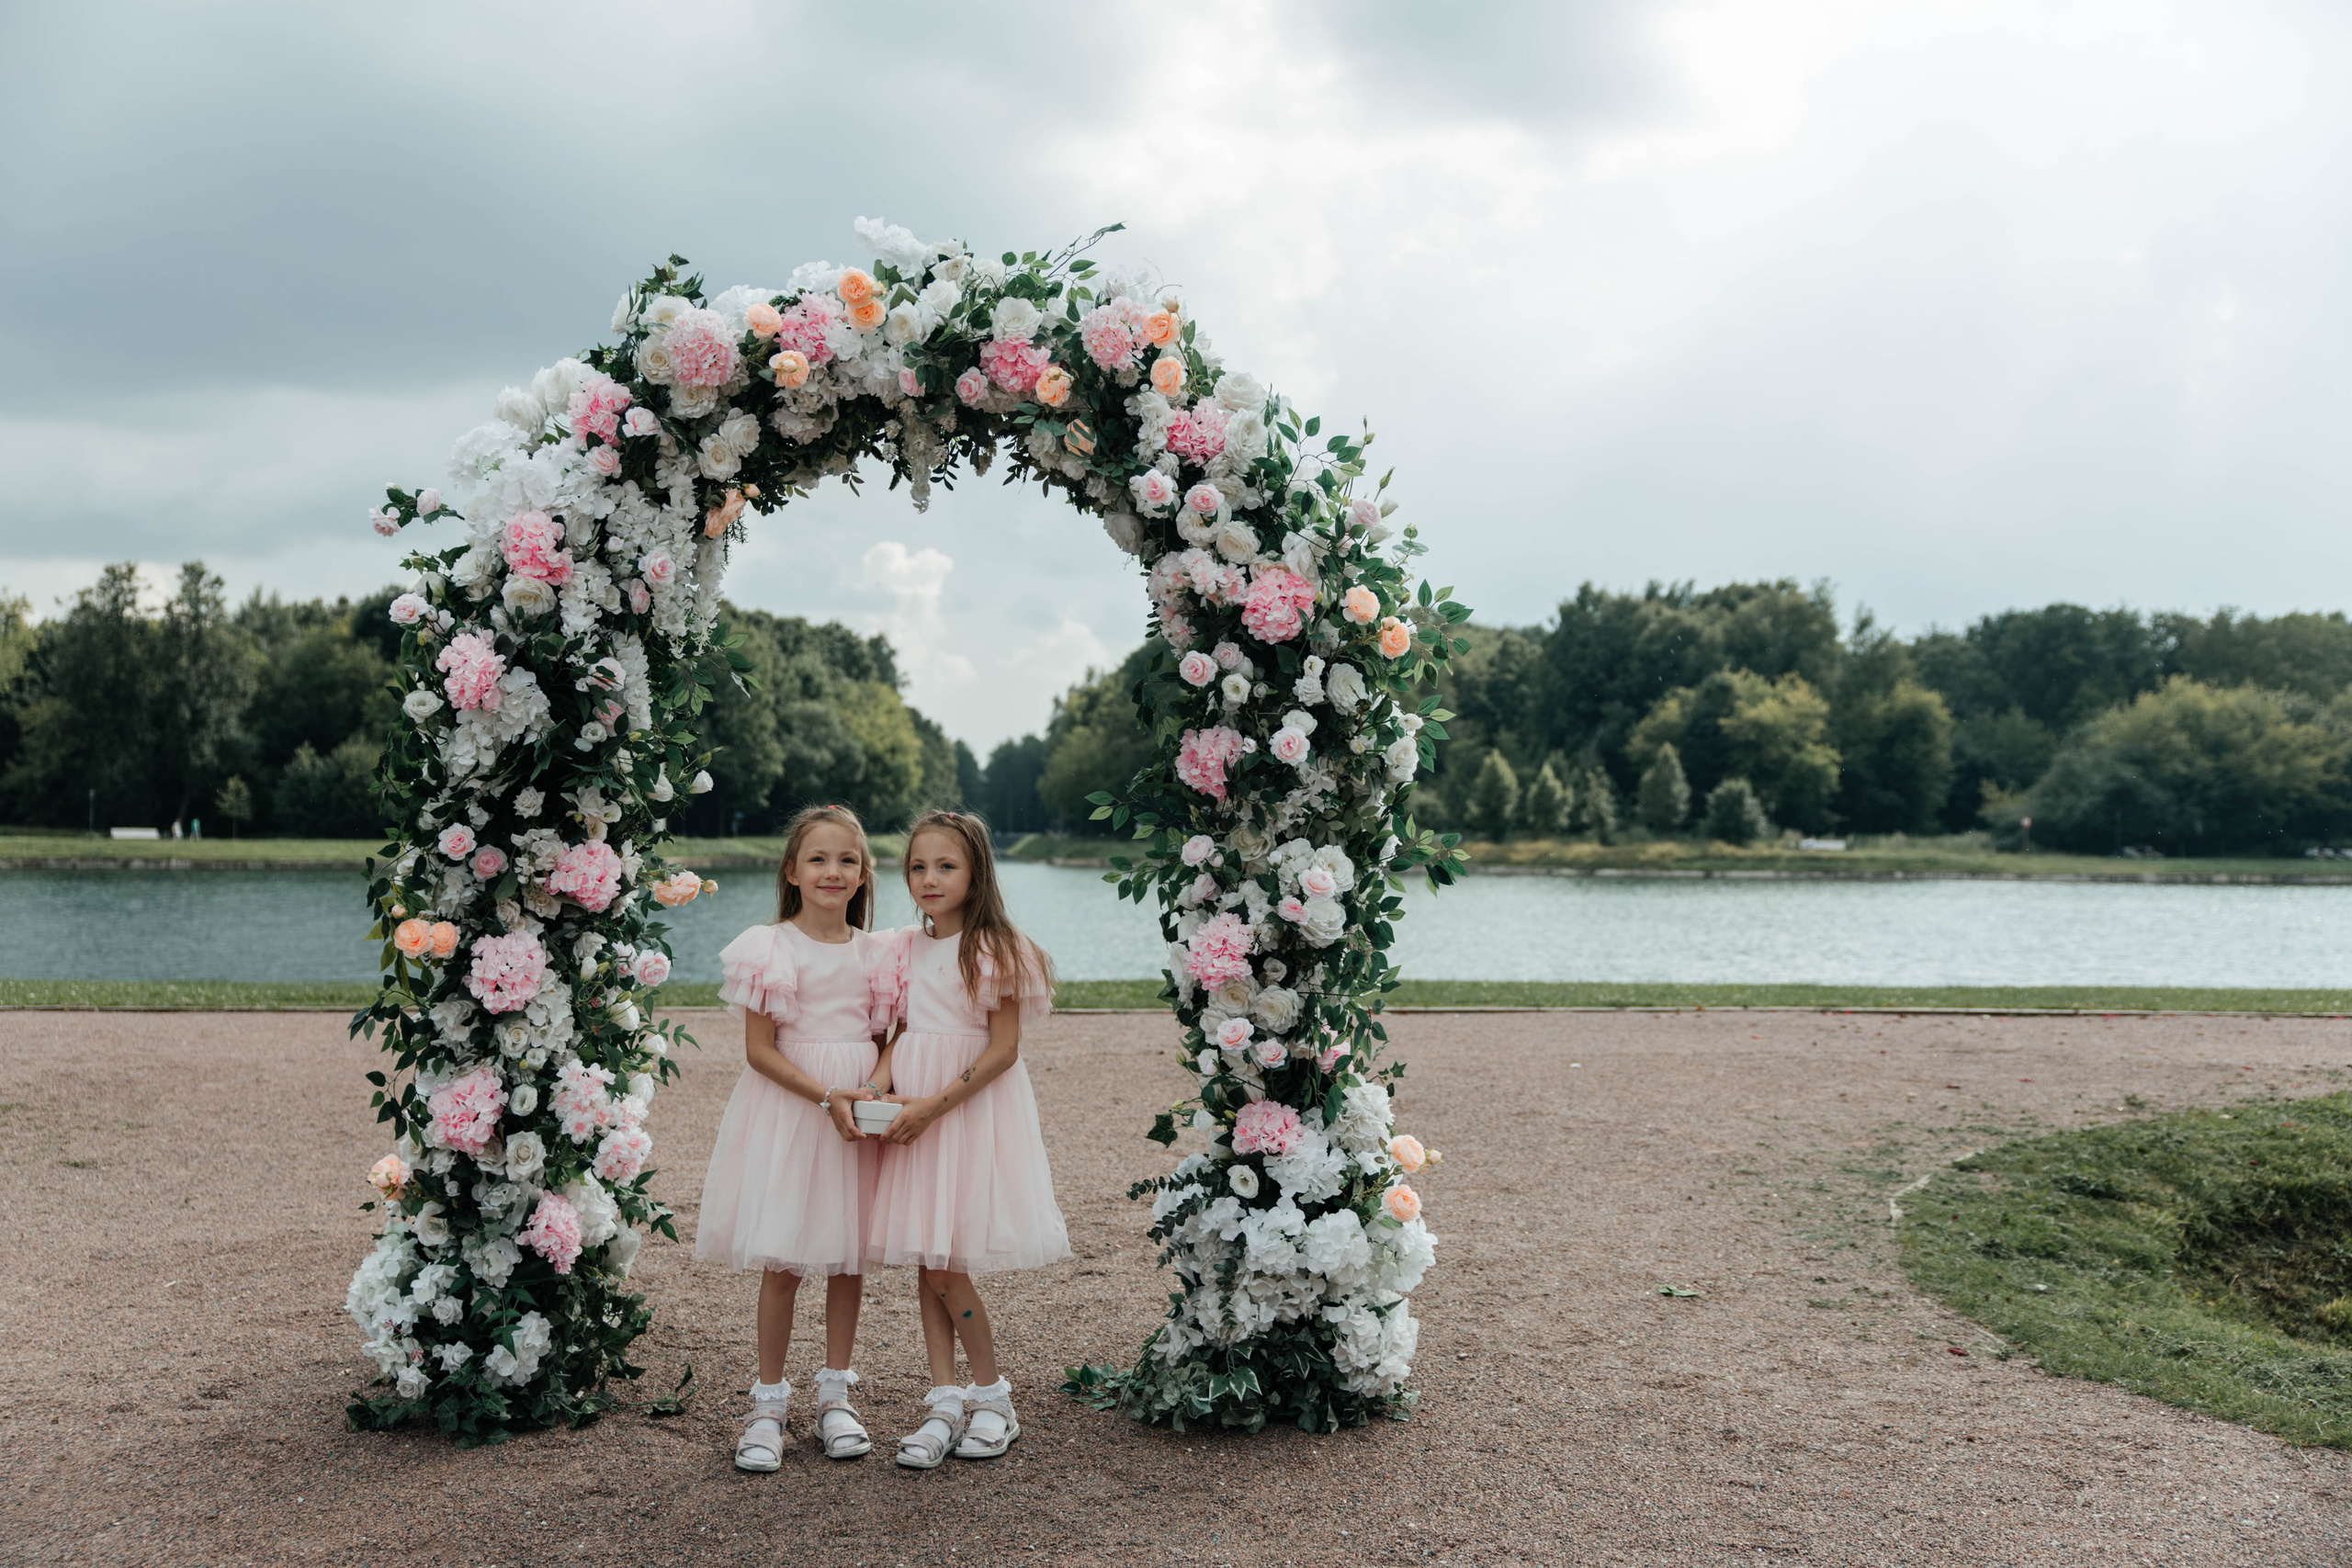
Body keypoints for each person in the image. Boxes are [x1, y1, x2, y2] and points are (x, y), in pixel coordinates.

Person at [695, 806, 899, 1469]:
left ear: (864, 871)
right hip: (794, 1109)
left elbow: (884, 1038)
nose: (832, 870)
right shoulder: (770, 945)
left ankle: (836, 1394)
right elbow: (759, 1050)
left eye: (846, 859)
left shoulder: (880, 952)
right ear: (792, 869)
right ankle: (768, 1405)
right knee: (784, 1259)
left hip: (854, 1113)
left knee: (847, 1257)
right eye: (817, 858)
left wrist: (869, 1089)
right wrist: (823, 1094)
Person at [866, 810, 1069, 1467]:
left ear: (977, 871)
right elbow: (900, 1032)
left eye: (946, 865)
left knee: (948, 1263)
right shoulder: (905, 948)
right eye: (919, 866)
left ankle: (993, 1398)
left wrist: (932, 1106)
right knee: (930, 1260)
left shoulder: (996, 948)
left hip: (963, 1111)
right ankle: (944, 1398)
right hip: (915, 1111)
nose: (929, 878)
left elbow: (1004, 1049)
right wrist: (878, 1082)